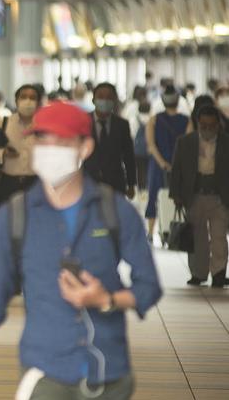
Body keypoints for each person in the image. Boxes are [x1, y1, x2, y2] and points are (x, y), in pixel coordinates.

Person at [0, 102, 163, 400]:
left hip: (109, 373)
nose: (50, 151)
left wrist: (106, 300)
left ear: (85, 148)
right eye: (42, 140)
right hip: (45, 371)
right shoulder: (14, 216)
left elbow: (149, 286)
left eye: (61, 142)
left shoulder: (114, 210)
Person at [170, 105, 229, 288]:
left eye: (211, 126)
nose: (207, 130)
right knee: (198, 237)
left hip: (220, 197)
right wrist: (176, 194)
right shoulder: (185, 142)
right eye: (204, 125)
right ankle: (198, 273)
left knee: (219, 237)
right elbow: (176, 170)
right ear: (198, 124)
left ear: (218, 125)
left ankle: (219, 273)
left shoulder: (227, 142)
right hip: (194, 195)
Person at [0, 84, 40, 206]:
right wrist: (2, 153)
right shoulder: (3, 122)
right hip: (8, 183)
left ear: (38, 102)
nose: (28, 101)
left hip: (35, 182)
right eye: (23, 97)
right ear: (16, 101)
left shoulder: (44, 125)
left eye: (32, 98)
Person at [144, 86, 190, 239]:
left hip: (157, 165)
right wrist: (177, 164)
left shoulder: (154, 119)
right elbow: (189, 144)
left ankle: (150, 231)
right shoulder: (187, 121)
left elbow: (151, 145)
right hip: (181, 166)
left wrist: (162, 163)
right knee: (179, 196)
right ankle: (177, 229)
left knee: (153, 196)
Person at [84, 83, 137, 198]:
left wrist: (131, 184)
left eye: (109, 97)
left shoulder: (122, 125)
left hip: (115, 183)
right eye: (101, 97)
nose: (105, 100)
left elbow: (129, 156)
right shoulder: (83, 122)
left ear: (114, 101)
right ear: (93, 100)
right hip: (88, 182)